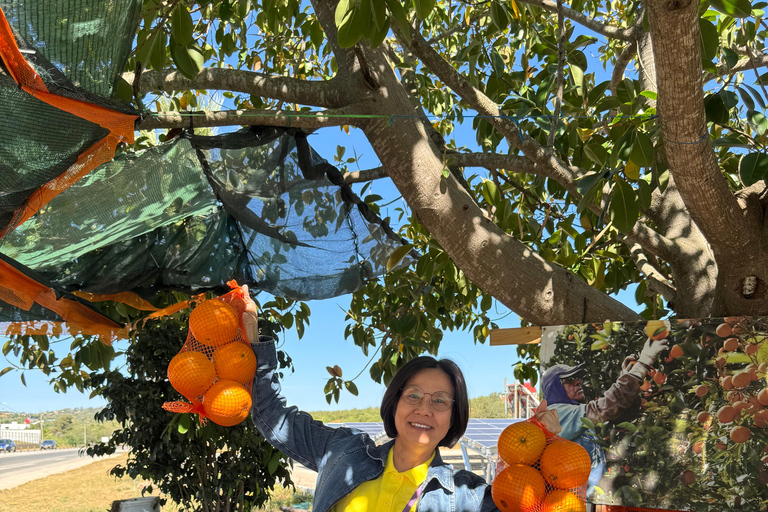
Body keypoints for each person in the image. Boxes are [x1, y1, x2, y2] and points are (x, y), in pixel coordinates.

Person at [238, 286, 559, 512]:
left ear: (453, 417)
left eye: (440, 401)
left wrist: (545, 446)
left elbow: (537, 502)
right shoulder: (341, 450)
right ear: (394, 403)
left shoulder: (469, 497)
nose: (424, 408)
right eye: (414, 395)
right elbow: (270, 413)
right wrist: (252, 333)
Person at [540, 337, 668, 497]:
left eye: (578, 377)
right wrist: (642, 365)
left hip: (587, 495)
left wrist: (627, 375)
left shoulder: (574, 412)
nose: (578, 382)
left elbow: (620, 414)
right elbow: (607, 407)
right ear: (555, 388)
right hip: (571, 498)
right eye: (570, 380)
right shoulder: (557, 413)